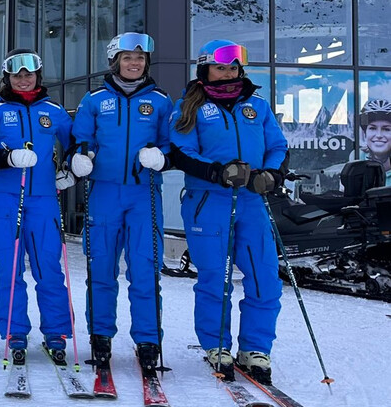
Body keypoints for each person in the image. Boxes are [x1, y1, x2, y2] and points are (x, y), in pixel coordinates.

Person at [169, 40, 287, 383]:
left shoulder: (257, 107)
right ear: (205, 69)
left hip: (251, 202)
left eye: (233, 67)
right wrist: (218, 171)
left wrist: (272, 174)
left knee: (264, 278)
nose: (228, 72)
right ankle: (216, 344)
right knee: (215, 279)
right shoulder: (189, 107)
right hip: (209, 203)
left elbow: (277, 146)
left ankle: (255, 348)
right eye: (221, 67)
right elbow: (181, 152)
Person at [69, 32, 174, 376]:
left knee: (145, 270)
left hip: (144, 195)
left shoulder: (159, 101)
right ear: (115, 61)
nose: (135, 63)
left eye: (140, 58)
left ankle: (147, 342)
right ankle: (100, 337)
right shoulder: (95, 99)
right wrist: (80, 158)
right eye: (128, 58)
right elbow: (80, 138)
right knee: (101, 270)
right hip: (103, 194)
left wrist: (162, 156)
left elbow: (173, 143)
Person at [0, 48, 74, 365]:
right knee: (10, 270)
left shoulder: (53, 110)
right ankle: (15, 331)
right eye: (17, 75)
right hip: (3, 200)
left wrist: (73, 168)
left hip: (43, 200)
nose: (23, 79)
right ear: (8, 78)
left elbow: (77, 143)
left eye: (28, 74)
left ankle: (56, 332)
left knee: (49, 269)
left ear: (38, 75)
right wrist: (6, 158)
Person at [359, 99, 391, 183]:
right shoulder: (356, 159)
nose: (379, 135)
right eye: (372, 128)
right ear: (365, 133)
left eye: (386, 129)